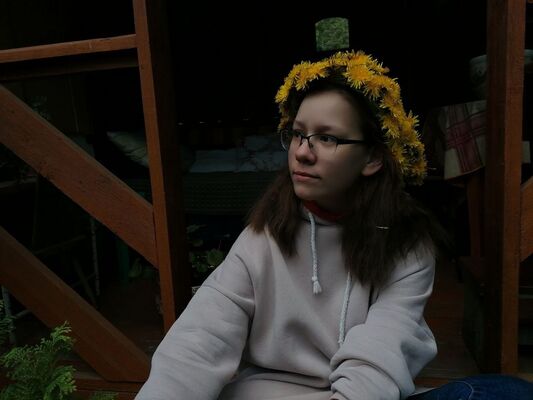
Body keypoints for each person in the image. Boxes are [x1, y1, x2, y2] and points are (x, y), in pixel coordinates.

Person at [136, 51, 533, 399]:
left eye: (327, 139)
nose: (302, 152)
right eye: (297, 134)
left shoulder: (407, 245)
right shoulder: (262, 237)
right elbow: (199, 340)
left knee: (506, 392)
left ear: (372, 158)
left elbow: (382, 349)